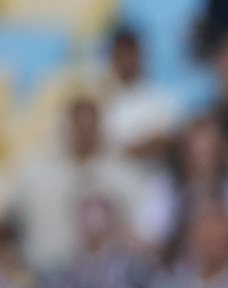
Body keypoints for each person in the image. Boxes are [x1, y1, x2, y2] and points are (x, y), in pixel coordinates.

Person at [10, 94, 142, 274]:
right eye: (79, 126)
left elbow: (142, 229)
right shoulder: (35, 171)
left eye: (90, 127)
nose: (84, 133)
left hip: (108, 279)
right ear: (65, 127)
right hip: (45, 272)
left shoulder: (123, 174)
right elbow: (10, 220)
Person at [134, 117, 228, 260]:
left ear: (224, 149)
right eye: (197, 151)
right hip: (179, 268)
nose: (204, 159)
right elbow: (149, 235)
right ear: (183, 152)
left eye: (211, 150)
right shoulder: (167, 186)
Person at [96, 25, 184, 167]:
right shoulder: (100, 103)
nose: (125, 61)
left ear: (141, 57)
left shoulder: (161, 100)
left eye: (130, 54)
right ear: (112, 58)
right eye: (120, 55)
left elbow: (169, 141)